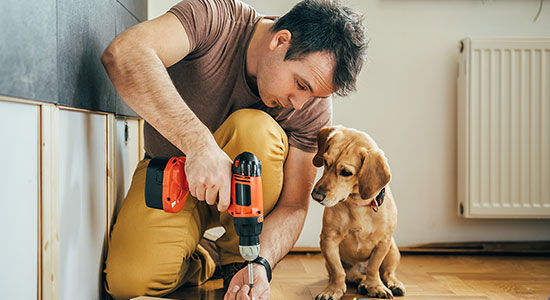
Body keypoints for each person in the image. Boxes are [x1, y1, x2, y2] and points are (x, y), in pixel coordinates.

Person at [101, 0, 367, 299]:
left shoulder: (311, 106)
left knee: (254, 128)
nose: (299, 103)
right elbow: (124, 53)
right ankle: (205, 258)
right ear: (281, 41)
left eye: (313, 95)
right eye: (300, 85)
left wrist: (262, 264)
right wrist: (199, 144)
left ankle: (238, 261)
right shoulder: (213, 17)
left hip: (246, 211)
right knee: (129, 282)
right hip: (172, 174)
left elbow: (294, 206)